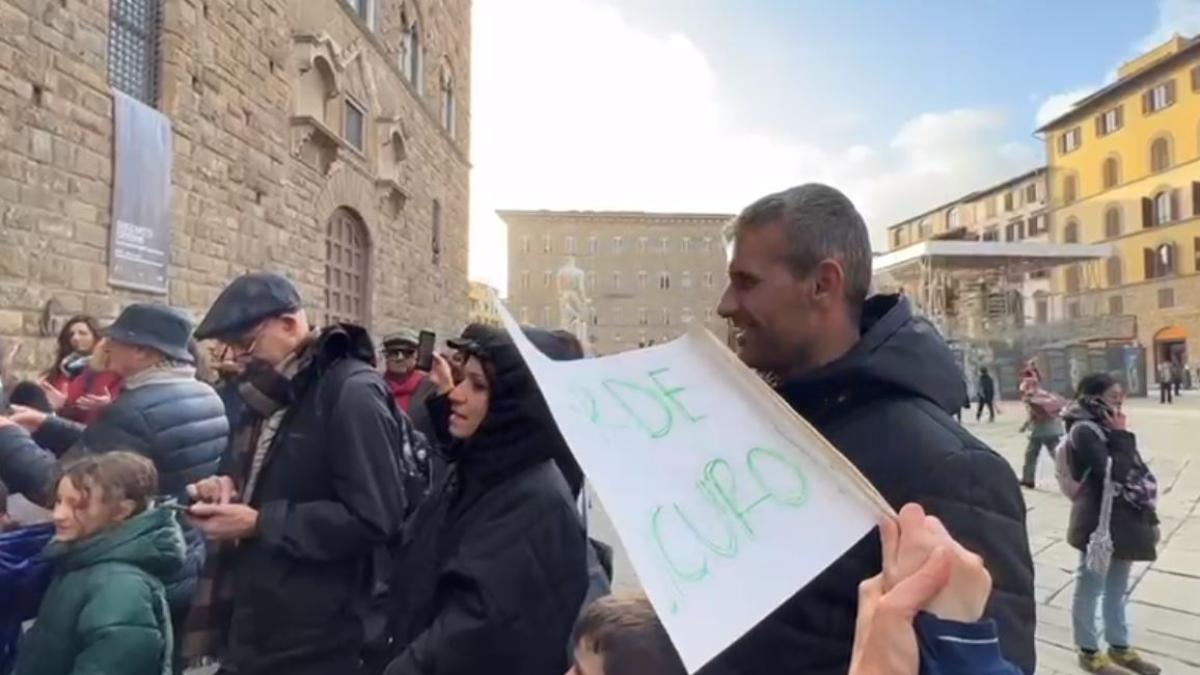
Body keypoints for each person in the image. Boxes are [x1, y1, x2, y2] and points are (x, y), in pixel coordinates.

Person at [715, 183, 1035, 674]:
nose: (725, 304)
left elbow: (987, 655)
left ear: (822, 284)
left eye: (746, 281)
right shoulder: (772, 423)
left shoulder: (950, 469)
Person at [185, 272, 408, 675]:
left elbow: (376, 518)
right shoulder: (269, 394)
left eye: (245, 344)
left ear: (288, 326)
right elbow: (270, 479)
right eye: (229, 347)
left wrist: (260, 523)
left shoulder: (351, 393)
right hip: (260, 621)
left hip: (319, 639)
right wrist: (225, 490)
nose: (235, 358)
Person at [0, 303, 227, 670]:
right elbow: (118, 448)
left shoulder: (136, 408)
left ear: (144, 351)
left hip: (122, 561)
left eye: (117, 339)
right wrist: (46, 424)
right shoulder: (202, 395)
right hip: (177, 553)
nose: (106, 344)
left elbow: (67, 487)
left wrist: (8, 438)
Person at [378, 324, 589, 675]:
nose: (456, 394)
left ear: (515, 402)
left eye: (478, 386)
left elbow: (468, 635)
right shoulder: (478, 470)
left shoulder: (535, 502)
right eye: (463, 379)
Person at [13, 452, 185, 675]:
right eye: (59, 501)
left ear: (123, 510)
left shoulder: (120, 589)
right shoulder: (80, 560)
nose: (58, 515)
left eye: (78, 506)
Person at [1062, 374, 1161, 675]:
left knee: (1118, 589)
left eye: (1121, 393)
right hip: (1099, 522)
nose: (1119, 399)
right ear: (1093, 396)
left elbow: (1134, 472)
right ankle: (1088, 651)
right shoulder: (1083, 429)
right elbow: (1113, 472)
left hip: (1126, 519)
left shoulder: (1106, 425)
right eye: (1112, 393)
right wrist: (1121, 434)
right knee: (1090, 586)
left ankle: (1119, 646)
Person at [38, 315, 122, 425]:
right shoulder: (62, 369)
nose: (75, 338)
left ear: (97, 337)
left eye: (82, 333)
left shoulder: (109, 370)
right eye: (71, 334)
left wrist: (109, 406)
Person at [381, 329, 440, 440]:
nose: (400, 358)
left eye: (407, 353)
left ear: (416, 356)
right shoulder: (376, 387)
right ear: (386, 356)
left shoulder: (431, 389)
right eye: (394, 352)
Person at [1019, 381, 1064, 490]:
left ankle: (1028, 479)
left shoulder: (1032, 397)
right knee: (1058, 455)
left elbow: (1033, 415)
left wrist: (1025, 426)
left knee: (1031, 455)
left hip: (1040, 430)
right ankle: (1070, 474)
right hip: (1053, 429)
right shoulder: (1046, 394)